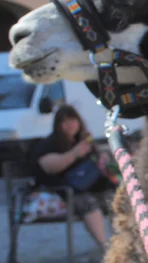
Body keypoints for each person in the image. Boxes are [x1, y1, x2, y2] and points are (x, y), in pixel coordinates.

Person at [30, 104, 115, 249]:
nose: (70, 124)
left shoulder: (83, 141)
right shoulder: (49, 143)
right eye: (64, 121)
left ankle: (121, 244)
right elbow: (48, 167)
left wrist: (102, 159)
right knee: (87, 202)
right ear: (58, 125)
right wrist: (75, 154)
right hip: (60, 190)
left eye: (72, 120)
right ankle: (105, 247)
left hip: (87, 187)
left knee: (114, 197)